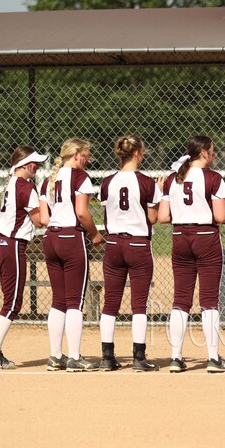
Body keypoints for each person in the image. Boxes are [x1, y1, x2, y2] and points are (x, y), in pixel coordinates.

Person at [159, 135, 225, 373]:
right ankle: (212, 358)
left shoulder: (173, 178)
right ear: (203, 153)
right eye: (211, 151)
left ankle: (175, 357)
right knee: (209, 300)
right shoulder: (213, 178)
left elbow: (162, 217)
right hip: (206, 238)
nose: (213, 154)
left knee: (181, 300)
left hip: (180, 237)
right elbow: (220, 217)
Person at [97, 135, 162, 372]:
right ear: (137, 153)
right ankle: (139, 357)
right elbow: (153, 218)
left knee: (110, 303)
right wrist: (159, 192)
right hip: (137, 245)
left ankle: (106, 356)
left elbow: (106, 216)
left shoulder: (107, 182)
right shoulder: (147, 182)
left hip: (113, 244)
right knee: (139, 305)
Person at [40, 138, 102, 372]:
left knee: (59, 300)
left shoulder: (49, 180)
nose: (88, 160)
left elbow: (44, 219)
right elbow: (82, 212)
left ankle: (56, 356)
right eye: (85, 155)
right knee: (75, 302)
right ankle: (74, 357)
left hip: (50, 238)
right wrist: (95, 234)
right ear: (75, 155)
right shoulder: (80, 178)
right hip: (71, 238)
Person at [0, 147, 48, 370]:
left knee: (9, 301)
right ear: (25, 164)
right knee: (12, 303)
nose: (37, 167)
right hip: (12, 245)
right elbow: (39, 221)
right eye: (34, 163)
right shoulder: (26, 186)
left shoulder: (11, 182)